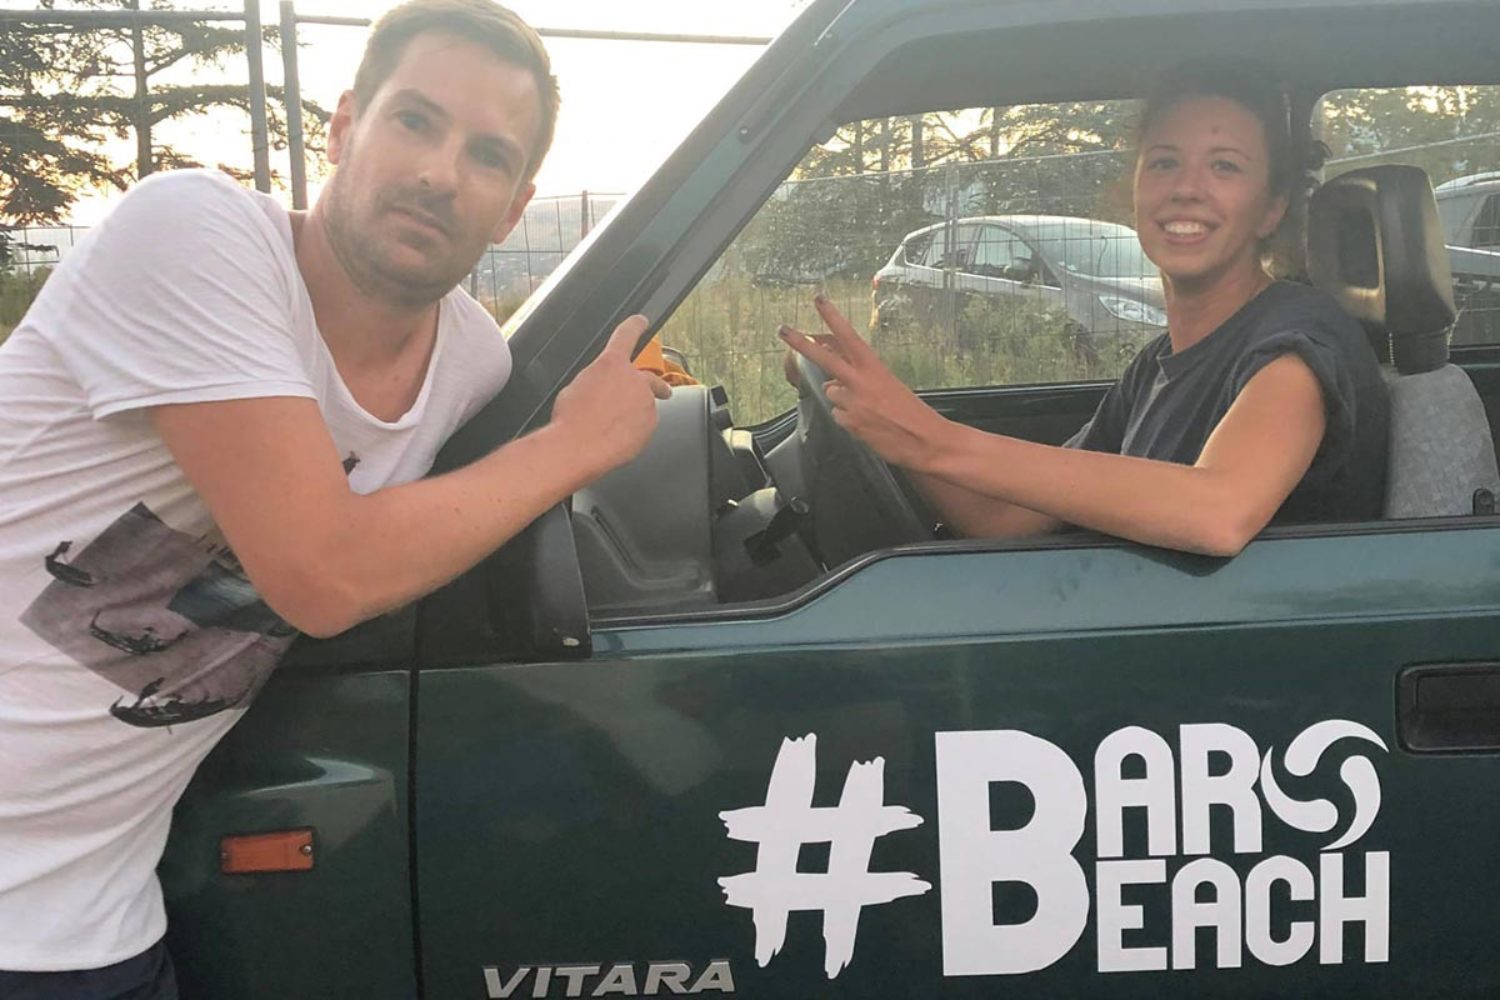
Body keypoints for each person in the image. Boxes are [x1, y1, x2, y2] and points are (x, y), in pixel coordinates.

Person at [0, 1, 668, 995]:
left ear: (515, 207)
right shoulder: (194, 233)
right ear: (346, 125)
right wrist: (579, 446)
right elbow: (322, 570)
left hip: (90, 921)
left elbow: (433, 533)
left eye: (488, 155)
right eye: (415, 121)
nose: (441, 173)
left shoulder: (473, 365)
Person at [781, 62, 1388, 556]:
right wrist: (884, 417)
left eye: (1225, 166)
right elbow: (1003, 518)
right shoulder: (1156, 367)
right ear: (1136, 188)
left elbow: (1219, 511)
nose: (1186, 187)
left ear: (1272, 209)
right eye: (1165, 162)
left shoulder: (1299, 345)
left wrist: (933, 438)